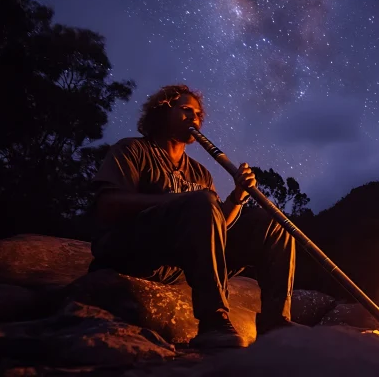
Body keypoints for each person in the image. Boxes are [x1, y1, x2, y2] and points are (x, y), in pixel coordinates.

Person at [88, 84, 296, 349]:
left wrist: (237, 197)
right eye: (186, 110)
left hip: (180, 263)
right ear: (161, 112)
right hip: (134, 252)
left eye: (198, 115)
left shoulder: (200, 174)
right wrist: (177, 201)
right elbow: (108, 205)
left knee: (273, 223)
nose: (194, 119)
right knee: (201, 201)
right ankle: (213, 322)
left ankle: (275, 325)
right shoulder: (132, 150)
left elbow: (216, 225)